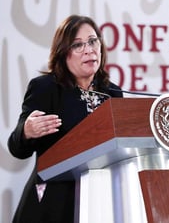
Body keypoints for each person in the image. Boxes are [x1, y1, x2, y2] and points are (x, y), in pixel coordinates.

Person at [8, 14, 123, 223]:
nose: (88, 49)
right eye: (77, 45)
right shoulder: (46, 88)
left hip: (101, 202)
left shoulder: (112, 93)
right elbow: (17, 148)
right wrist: (26, 131)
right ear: (63, 53)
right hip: (53, 205)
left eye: (92, 41)